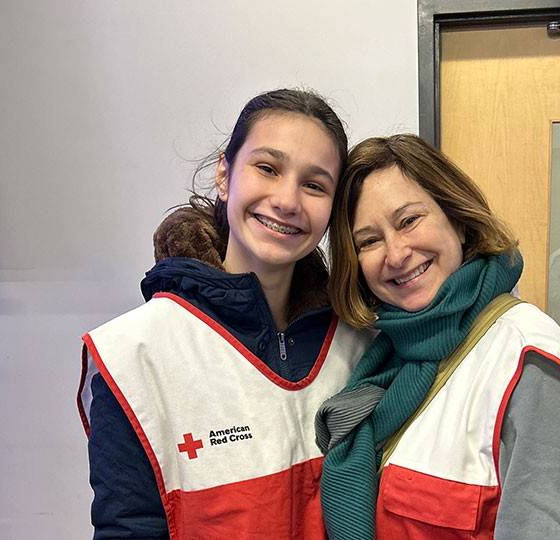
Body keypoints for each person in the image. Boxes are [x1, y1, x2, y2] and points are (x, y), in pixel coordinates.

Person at [76, 89, 371, 539]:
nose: (288, 200)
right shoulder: (135, 355)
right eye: (268, 168)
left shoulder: (359, 340)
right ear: (224, 173)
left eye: (315, 184)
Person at [315, 134, 560, 539]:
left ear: (459, 220)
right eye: (369, 241)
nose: (396, 254)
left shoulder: (529, 361)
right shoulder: (382, 361)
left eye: (409, 220)